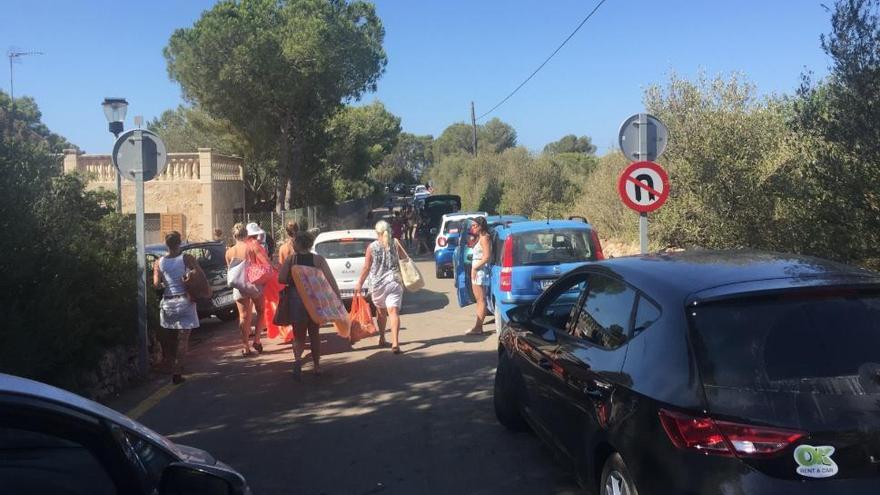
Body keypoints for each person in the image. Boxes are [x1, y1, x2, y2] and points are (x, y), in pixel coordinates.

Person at [278, 230, 341, 379]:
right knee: (314, 333)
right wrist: (336, 299)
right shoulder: (318, 260)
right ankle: (317, 366)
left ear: (297, 244)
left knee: (298, 335)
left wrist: (295, 278)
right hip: (315, 300)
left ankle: (298, 362)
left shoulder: (291, 260)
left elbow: (280, 279)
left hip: (296, 299)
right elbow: (330, 280)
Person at [152, 231, 204, 384]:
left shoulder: (159, 262)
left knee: (169, 339)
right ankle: (177, 371)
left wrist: (166, 283)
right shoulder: (187, 258)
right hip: (184, 301)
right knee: (183, 339)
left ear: (166, 244)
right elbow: (200, 274)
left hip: (168, 302)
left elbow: (156, 284)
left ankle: (170, 365)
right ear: (179, 243)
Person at [355, 220, 410, 354]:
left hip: (378, 284)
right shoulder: (396, 243)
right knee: (394, 312)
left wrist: (360, 283)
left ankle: (382, 337)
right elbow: (405, 259)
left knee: (381, 312)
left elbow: (367, 267)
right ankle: (395, 343)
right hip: (394, 281)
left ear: (377, 232)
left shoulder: (372, 247)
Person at [225, 222, 267, 356]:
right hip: (252, 283)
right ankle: (257, 340)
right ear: (246, 235)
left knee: (243, 316)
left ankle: (245, 347)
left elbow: (230, 270)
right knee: (261, 311)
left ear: (234, 236)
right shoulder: (251, 248)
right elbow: (256, 265)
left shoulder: (229, 252)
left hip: (239, 286)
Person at [466, 217, 492, 336]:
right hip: (477, 270)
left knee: (481, 300)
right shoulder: (480, 237)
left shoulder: (485, 238)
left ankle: (478, 327)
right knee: (479, 300)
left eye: (475, 226)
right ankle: (477, 326)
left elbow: (486, 256)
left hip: (480, 271)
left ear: (481, 226)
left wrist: (475, 268)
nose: (472, 228)